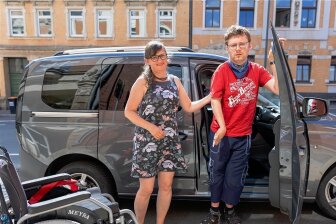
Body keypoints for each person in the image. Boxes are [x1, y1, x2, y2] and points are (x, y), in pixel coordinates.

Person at [201, 25, 284, 224]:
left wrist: (275, 59)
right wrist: (221, 126)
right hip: (220, 135)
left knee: (235, 176)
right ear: (227, 48)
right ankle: (214, 212)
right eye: (233, 45)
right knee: (217, 173)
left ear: (249, 46)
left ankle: (230, 211)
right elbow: (215, 100)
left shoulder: (256, 71)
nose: (237, 48)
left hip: (243, 135)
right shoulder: (222, 71)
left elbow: (277, 89)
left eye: (241, 44)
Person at [124, 40, 211, 224]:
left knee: (166, 186)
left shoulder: (174, 81)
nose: (159, 60)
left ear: (167, 58)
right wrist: (151, 127)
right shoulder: (143, 82)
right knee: (146, 189)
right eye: (155, 57)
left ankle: (160, 222)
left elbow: (188, 106)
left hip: (169, 141)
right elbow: (129, 111)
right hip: (146, 140)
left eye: (162, 56)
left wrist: (210, 97)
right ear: (147, 61)